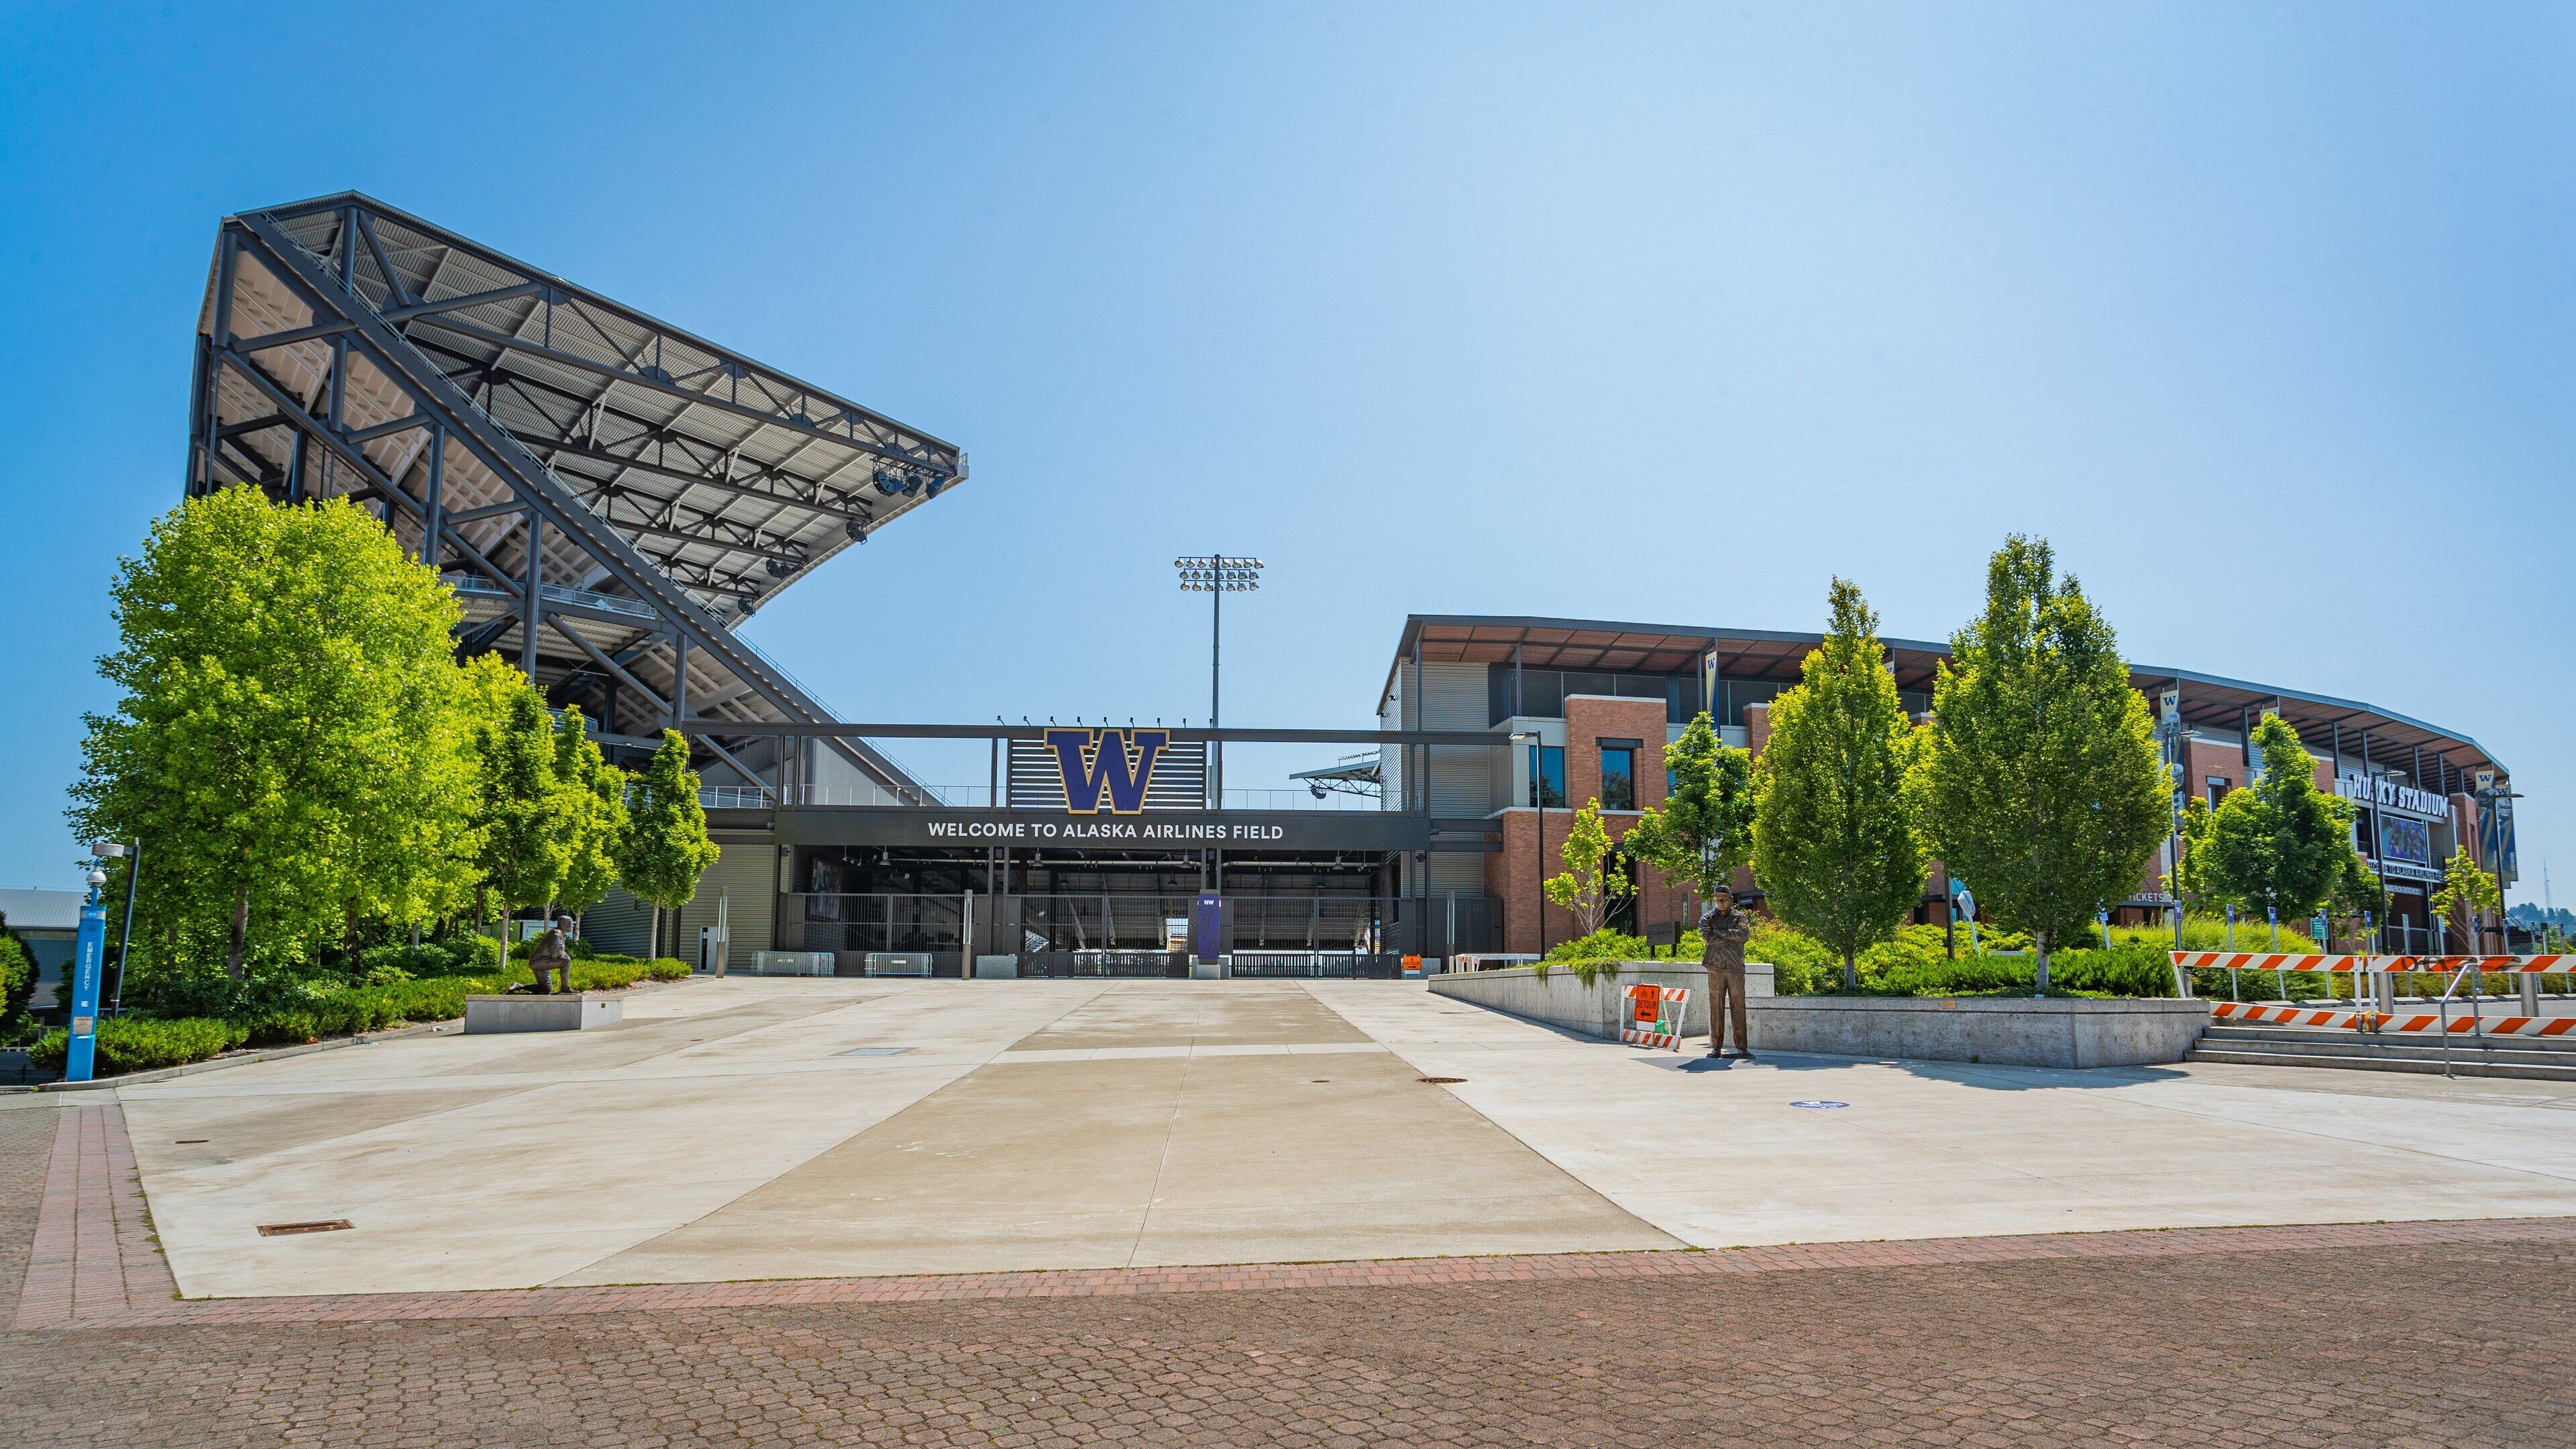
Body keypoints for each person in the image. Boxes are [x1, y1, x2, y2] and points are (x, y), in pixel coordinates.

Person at [1699, 888, 1753, 1060]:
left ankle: (1742, 1048)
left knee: (1739, 1006)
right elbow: (1709, 939)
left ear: (1730, 900)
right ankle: (1716, 1047)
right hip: (1715, 967)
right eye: (1717, 898)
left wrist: (1720, 932)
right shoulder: (1707, 918)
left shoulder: (1740, 917)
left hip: (1736, 967)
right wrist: (1730, 936)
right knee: (1716, 1006)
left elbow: (1744, 935)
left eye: (1724, 898)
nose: (1720, 901)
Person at [528, 913, 576, 995]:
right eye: (571, 924)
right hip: (538, 962)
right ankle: (565, 987)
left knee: (546, 989)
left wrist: (563, 954)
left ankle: (519, 986)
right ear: (565, 924)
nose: (573, 926)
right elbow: (555, 954)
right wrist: (564, 955)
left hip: (542, 962)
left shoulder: (560, 934)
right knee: (566, 961)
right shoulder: (556, 934)